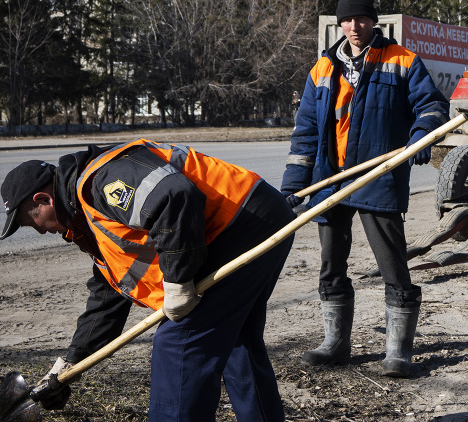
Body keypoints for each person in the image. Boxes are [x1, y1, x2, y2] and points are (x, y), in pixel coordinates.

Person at [0, 140, 294, 420]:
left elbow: (176, 196)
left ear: (43, 199)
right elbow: (109, 294)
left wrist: (178, 281)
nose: (37, 231)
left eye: (29, 221)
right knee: (234, 341)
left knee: (179, 345)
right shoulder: (84, 216)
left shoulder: (101, 181)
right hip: (254, 216)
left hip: (240, 223)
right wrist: (72, 362)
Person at [282, 0, 449, 378]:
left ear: (375, 21)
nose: (354, 27)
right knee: (331, 264)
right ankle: (335, 343)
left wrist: (421, 135)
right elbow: (305, 131)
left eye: (361, 19)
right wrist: (295, 182)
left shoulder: (401, 61)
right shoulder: (322, 69)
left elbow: (433, 107)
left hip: (379, 177)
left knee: (393, 265)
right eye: (347, 20)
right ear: (339, 23)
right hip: (330, 181)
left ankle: (398, 351)